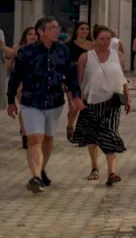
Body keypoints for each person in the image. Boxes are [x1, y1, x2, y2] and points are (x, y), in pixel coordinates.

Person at [6, 16, 83, 193]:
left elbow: (71, 75)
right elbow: (15, 77)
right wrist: (10, 100)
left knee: (48, 138)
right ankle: (35, 177)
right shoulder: (26, 52)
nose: (57, 31)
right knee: (35, 139)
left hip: (54, 102)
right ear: (41, 32)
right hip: (31, 101)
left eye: (57, 27)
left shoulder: (63, 51)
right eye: (52, 28)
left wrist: (76, 96)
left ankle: (40, 170)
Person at [71, 26, 130, 186]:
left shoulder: (117, 55)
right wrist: (78, 100)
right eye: (102, 38)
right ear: (95, 40)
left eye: (108, 38)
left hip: (112, 101)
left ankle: (111, 172)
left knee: (110, 133)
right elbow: (80, 82)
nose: (105, 42)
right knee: (92, 136)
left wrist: (128, 98)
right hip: (91, 101)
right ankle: (94, 167)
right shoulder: (85, 57)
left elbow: (122, 77)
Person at [5, 27, 36, 149]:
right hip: (21, 83)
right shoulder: (17, 49)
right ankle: (25, 135)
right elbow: (9, 68)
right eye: (30, 34)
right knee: (25, 108)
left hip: (38, 83)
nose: (33, 36)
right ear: (25, 35)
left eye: (35, 34)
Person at [65, 21, 93, 140]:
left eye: (87, 29)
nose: (85, 31)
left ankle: (83, 131)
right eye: (82, 28)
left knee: (86, 106)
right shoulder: (68, 45)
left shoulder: (92, 45)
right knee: (74, 107)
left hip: (88, 79)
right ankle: (70, 125)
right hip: (71, 79)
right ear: (77, 30)